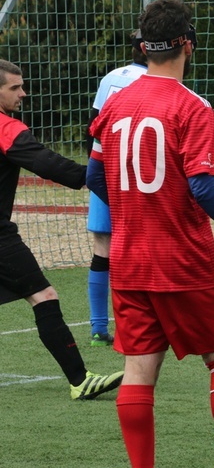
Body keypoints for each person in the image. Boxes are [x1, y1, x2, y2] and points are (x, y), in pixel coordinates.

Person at [87, 0, 214, 468]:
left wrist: (135, 207)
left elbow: (94, 177)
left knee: (139, 368)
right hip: (183, 259)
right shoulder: (192, 106)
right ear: (187, 45)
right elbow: (202, 186)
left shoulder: (115, 102)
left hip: (129, 258)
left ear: (142, 46)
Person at [0, 59, 124, 400]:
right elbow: (45, 163)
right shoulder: (6, 128)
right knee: (44, 296)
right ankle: (81, 380)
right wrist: (94, 176)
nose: (23, 93)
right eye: (14, 88)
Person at [85, 31, 148, 347]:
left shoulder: (110, 77)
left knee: (103, 247)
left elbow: (93, 125)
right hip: (138, 177)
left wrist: (93, 169)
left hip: (103, 168)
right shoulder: (158, 80)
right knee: (142, 248)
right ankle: (137, 326)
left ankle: (98, 328)